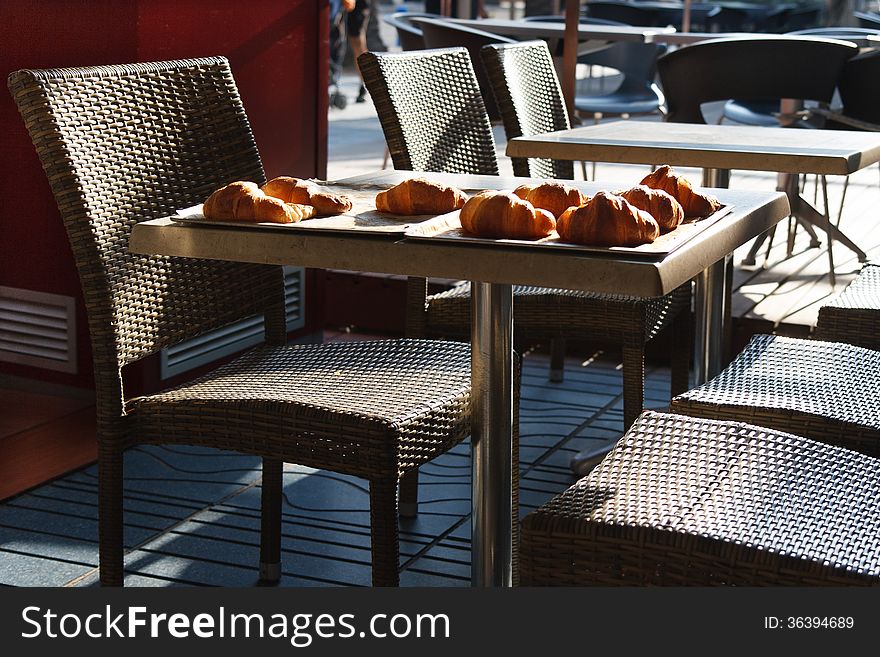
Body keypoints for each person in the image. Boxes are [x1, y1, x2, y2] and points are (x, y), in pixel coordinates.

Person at [346, 0, 370, 103]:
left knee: (358, 44)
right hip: (341, 5)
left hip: (358, 5)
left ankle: (365, 84)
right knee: (355, 44)